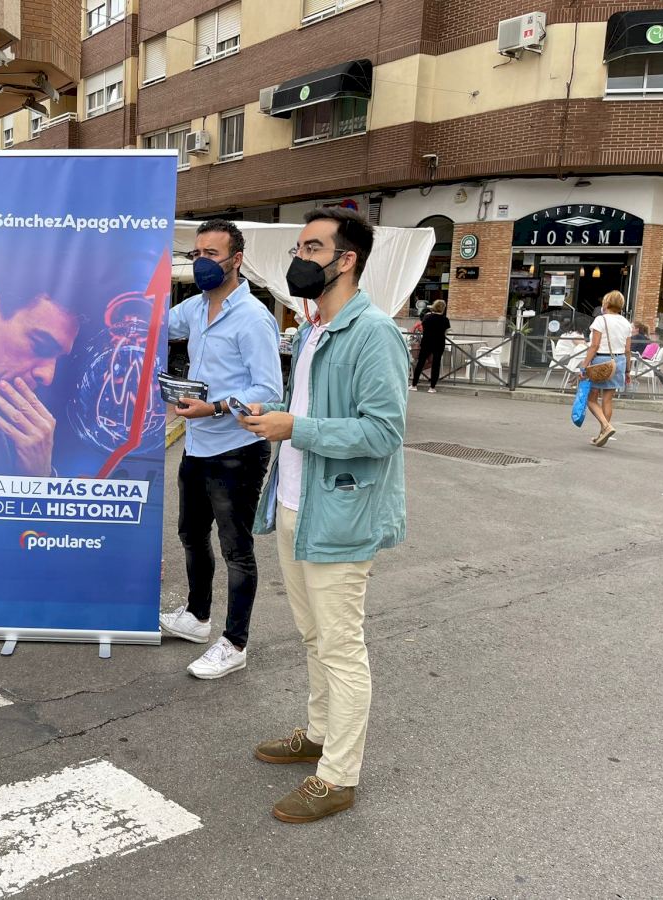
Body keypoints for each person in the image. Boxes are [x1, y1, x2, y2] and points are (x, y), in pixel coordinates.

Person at [240, 208, 407, 824]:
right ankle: (316, 734)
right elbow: (306, 409)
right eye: (299, 247)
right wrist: (269, 415)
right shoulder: (313, 329)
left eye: (312, 248)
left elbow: (384, 431)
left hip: (340, 513)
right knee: (313, 637)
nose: (299, 258)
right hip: (295, 503)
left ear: (347, 259)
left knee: (340, 645)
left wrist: (296, 427)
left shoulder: (374, 333)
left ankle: (338, 775)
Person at [158, 219, 282, 680]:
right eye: (196, 255)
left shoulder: (253, 318)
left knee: (236, 549)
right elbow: (154, 322)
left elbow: (268, 390)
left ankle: (235, 643)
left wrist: (212, 408)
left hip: (238, 450)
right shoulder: (194, 308)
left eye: (211, 254)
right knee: (191, 535)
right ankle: (197, 617)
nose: (201, 263)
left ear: (236, 259)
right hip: (197, 446)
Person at [0, 280, 80, 482]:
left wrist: (40, 476)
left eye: (58, 359)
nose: (48, 376)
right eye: (41, 346)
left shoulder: (8, 429)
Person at [579, 290, 630, 447]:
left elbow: (594, 345)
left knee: (591, 399)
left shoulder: (600, 320)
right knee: (607, 399)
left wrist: (584, 365)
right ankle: (602, 434)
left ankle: (606, 427)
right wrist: (628, 370)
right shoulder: (626, 323)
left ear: (606, 303)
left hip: (601, 361)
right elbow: (628, 349)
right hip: (619, 361)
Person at [410, 299, 450, 392]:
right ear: (443, 308)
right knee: (436, 365)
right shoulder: (445, 319)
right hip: (439, 343)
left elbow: (423, 328)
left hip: (426, 342)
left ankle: (414, 385)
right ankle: (432, 387)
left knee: (420, 363)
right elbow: (446, 332)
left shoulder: (427, 317)